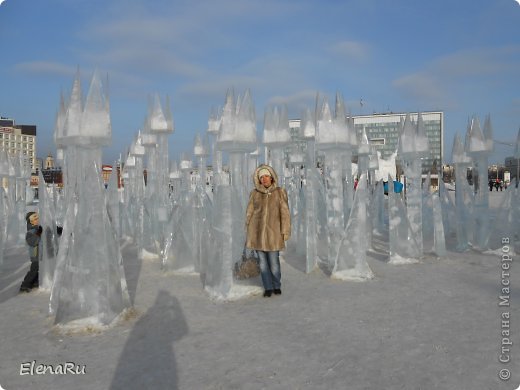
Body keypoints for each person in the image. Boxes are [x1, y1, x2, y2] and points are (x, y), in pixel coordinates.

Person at [245, 165, 291, 297]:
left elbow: (285, 213)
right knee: (263, 265)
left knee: (274, 263)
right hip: (257, 235)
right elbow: (249, 212)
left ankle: (276, 285)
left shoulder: (279, 192)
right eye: (261, 177)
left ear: (271, 177)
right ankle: (268, 287)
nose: (264, 179)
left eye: (266, 176)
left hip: (273, 235)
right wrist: (248, 229)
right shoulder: (255, 194)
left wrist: (285, 230)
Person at [20, 211, 42, 293]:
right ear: (31, 221)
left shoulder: (39, 228)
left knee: (38, 269)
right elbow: (33, 242)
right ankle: (25, 285)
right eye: (35, 218)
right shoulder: (30, 233)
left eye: (37, 218)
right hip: (35, 255)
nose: (37, 220)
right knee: (34, 270)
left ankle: (35, 282)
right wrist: (39, 233)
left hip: (41, 254)